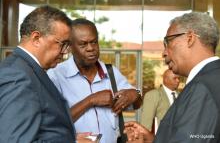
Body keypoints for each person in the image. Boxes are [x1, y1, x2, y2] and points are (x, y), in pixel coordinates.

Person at [0, 5, 94, 143]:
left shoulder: (28, 70)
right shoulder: (18, 76)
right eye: (63, 44)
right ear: (36, 38)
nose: (66, 52)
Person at [124, 12, 220, 143]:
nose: (164, 53)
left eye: (167, 42)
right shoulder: (212, 78)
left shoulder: (201, 88)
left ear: (190, 38)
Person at [47, 18, 142, 143]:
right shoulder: (56, 76)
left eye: (94, 42)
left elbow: (137, 104)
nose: (91, 48)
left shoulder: (110, 72)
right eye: (83, 44)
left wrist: (134, 94)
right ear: (70, 47)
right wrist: (90, 100)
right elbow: (52, 122)